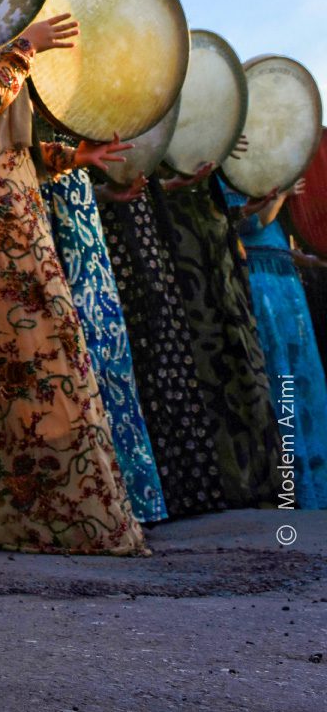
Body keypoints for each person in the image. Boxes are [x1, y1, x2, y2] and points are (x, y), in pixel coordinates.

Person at [0, 19, 148, 554]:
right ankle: (21, 507)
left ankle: (33, 502)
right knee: (11, 342)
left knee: (30, 341)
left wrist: (75, 157)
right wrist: (26, 47)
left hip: (8, 186)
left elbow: (13, 138)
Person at [39, 148, 168, 525]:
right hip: (48, 224)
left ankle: (129, 495)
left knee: (109, 357)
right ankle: (95, 499)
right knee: (76, 356)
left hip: (82, 223)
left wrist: (105, 193)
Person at [94, 173, 227, 520]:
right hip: (111, 231)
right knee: (139, 359)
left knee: (166, 353)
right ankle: (155, 493)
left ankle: (184, 488)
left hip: (142, 228)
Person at [160, 162, 282, 507]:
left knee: (243, 364)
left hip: (220, 260)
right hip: (183, 256)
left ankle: (263, 481)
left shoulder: (211, 164)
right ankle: (226, 483)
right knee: (206, 369)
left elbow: (221, 217)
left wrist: (243, 210)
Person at [221, 177, 327, 508]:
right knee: (282, 380)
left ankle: (313, 482)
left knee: (303, 383)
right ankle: (290, 485)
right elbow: (252, 224)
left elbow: (273, 237)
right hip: (262, 281)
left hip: (281, 279)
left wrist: (306, 259)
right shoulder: (233, 175)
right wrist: (280, 190)